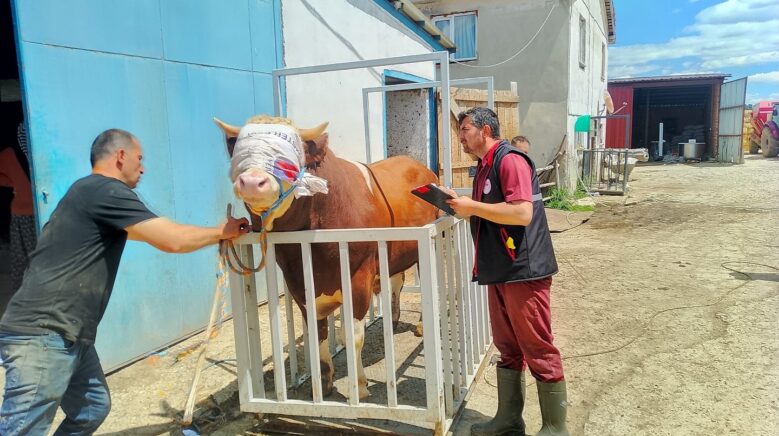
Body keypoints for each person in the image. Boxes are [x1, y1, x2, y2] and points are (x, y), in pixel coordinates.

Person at [0, 129, 249, 435]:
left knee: (92, 407)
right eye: (139, 158)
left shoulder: (89, 194)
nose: (142, 167)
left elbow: (154, 234)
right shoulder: (104, 191)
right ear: (120, 156)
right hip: (43, 332)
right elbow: (172, 240)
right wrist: (221, 231)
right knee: (22, 429)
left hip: (70, 331)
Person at [445, 108, 568, 436]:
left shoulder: (510, 160)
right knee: (508, 346)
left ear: (486, 130)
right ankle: (509, 420)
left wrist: (472, 207)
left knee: (537, 346)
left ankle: (556, 428)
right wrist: (457, 201)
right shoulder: (484, 166)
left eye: (466, 129)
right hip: (500, 269)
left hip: (523, 270)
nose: (461, 136)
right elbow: (491, 209)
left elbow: (522, 213)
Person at [0, 147, 36, 299]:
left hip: (31, 212)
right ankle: (25, 296)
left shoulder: (35, 151)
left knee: (28, 256)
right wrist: (12, 183)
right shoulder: (11, 154)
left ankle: (29, 295)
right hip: (24, 213)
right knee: (27, 256)